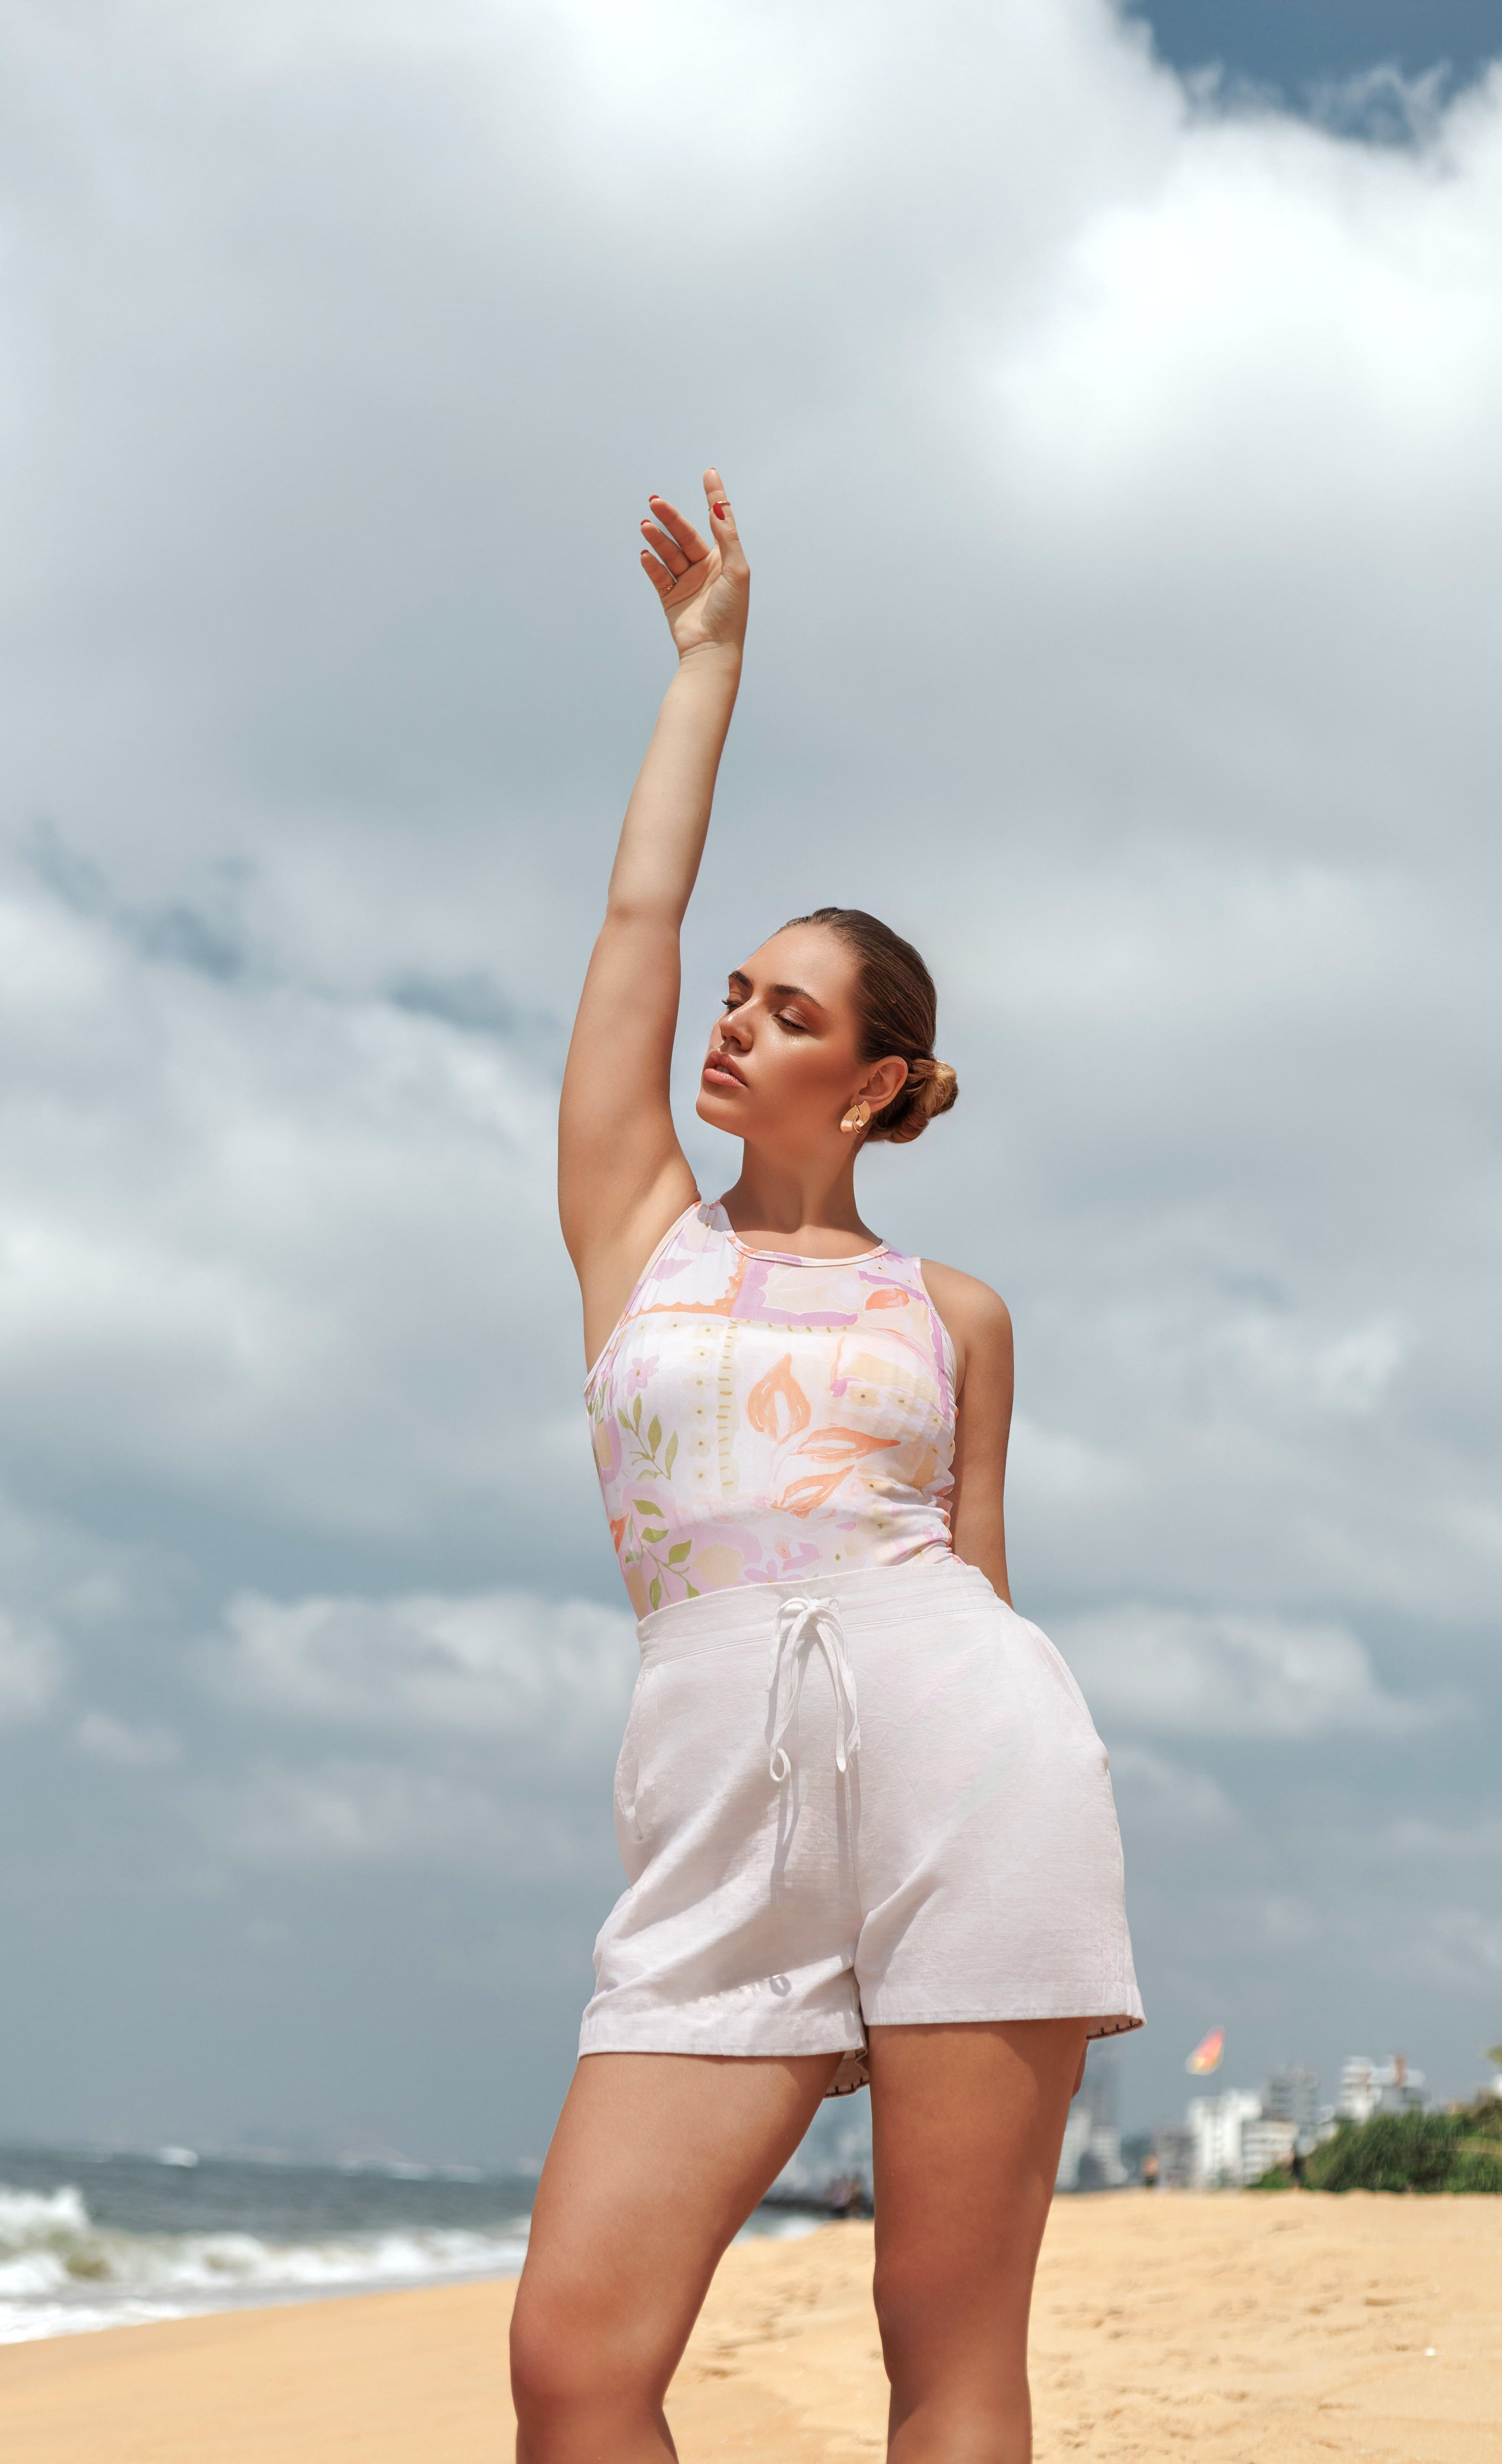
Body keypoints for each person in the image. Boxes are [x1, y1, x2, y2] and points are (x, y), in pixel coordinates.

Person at [509, 470, 1143, 2463]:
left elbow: (981, 1584)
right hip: (714, 1812)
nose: (731, 1024)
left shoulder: (955, 1313)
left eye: (784, 1013)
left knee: (946, 2363)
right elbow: (636, 917)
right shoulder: (639, 1230)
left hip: (970, 1776)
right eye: (736, 993)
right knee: (574, 2365)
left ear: (869, 1084)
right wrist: (707, 665)